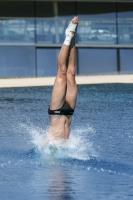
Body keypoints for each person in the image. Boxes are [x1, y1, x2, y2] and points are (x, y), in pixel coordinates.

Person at [42, 16, 78, 147]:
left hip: (56, 112)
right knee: (71, 73)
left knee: (62, 72)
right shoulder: (59, 150)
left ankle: (68, 36)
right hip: (69, 113)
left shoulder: (50, 148)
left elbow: (42, 147)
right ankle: (73, 35)